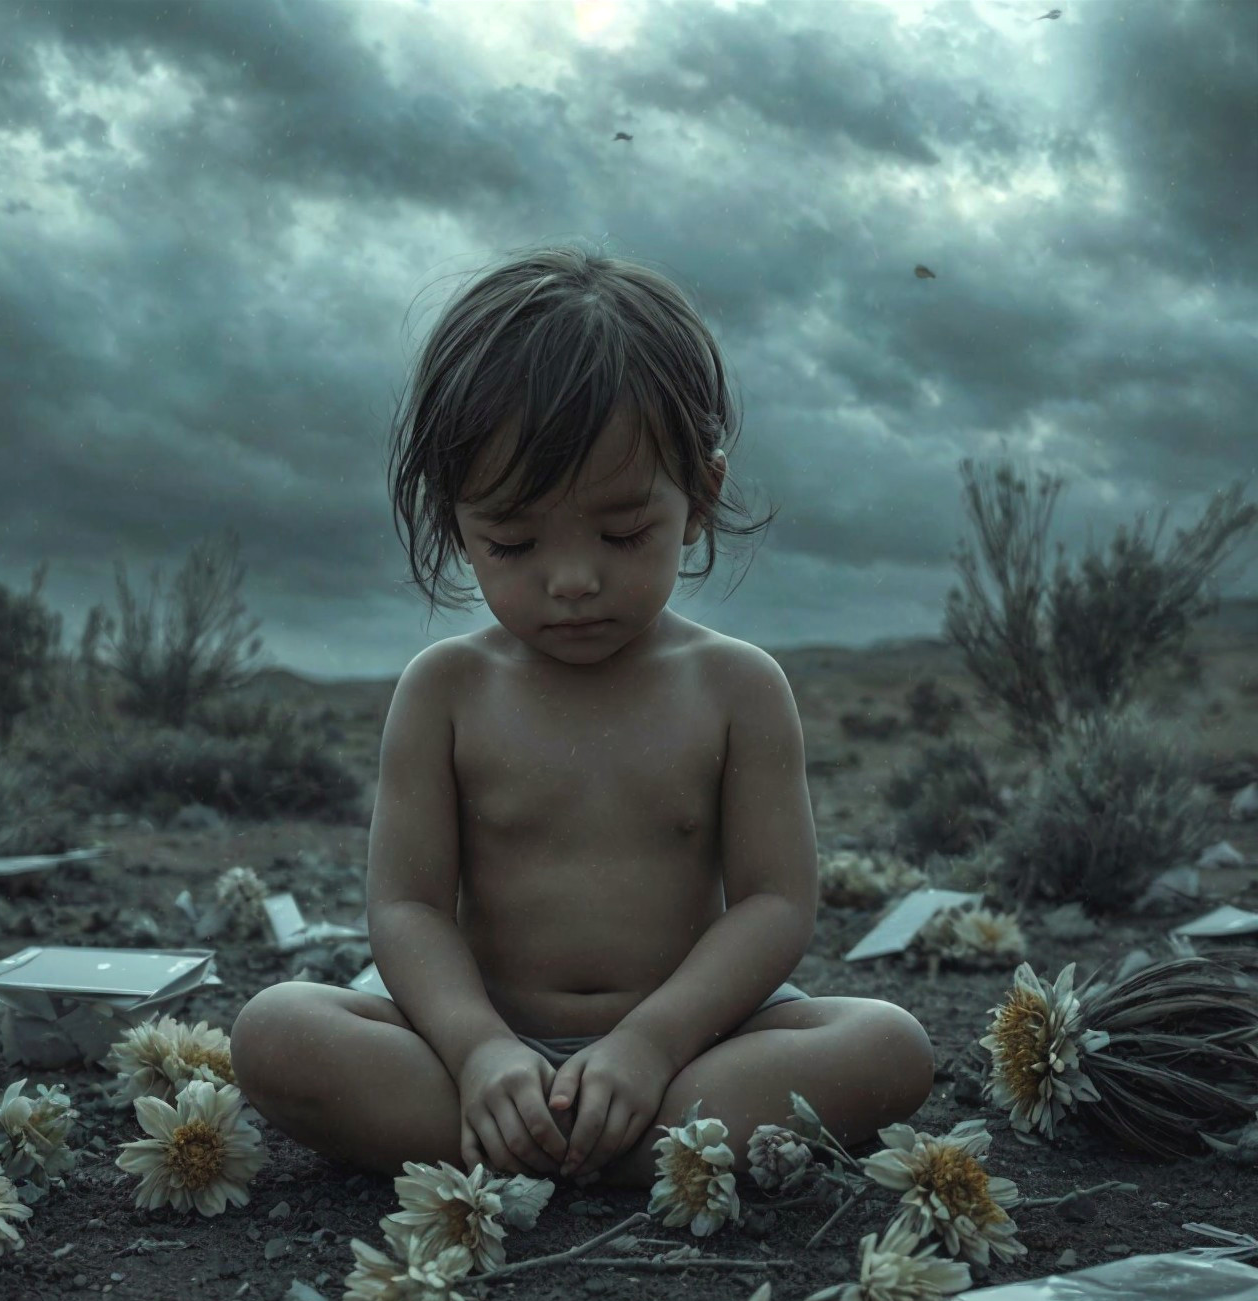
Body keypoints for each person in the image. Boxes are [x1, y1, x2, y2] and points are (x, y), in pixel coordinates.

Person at [231, 243, 935, 1190]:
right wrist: (479, 1047)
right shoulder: (445, 692)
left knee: (889, 1043)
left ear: (700, 498)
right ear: (455, 526)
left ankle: (543, 1149)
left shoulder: (737, 688)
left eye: (621, 532)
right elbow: (406, 908)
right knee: (276, 1029)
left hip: (692, 1050)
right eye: (514, 541)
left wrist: (650, 1043)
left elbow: (774, 903)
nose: (572, 580)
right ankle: (607, 1148)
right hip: (469, 1044)